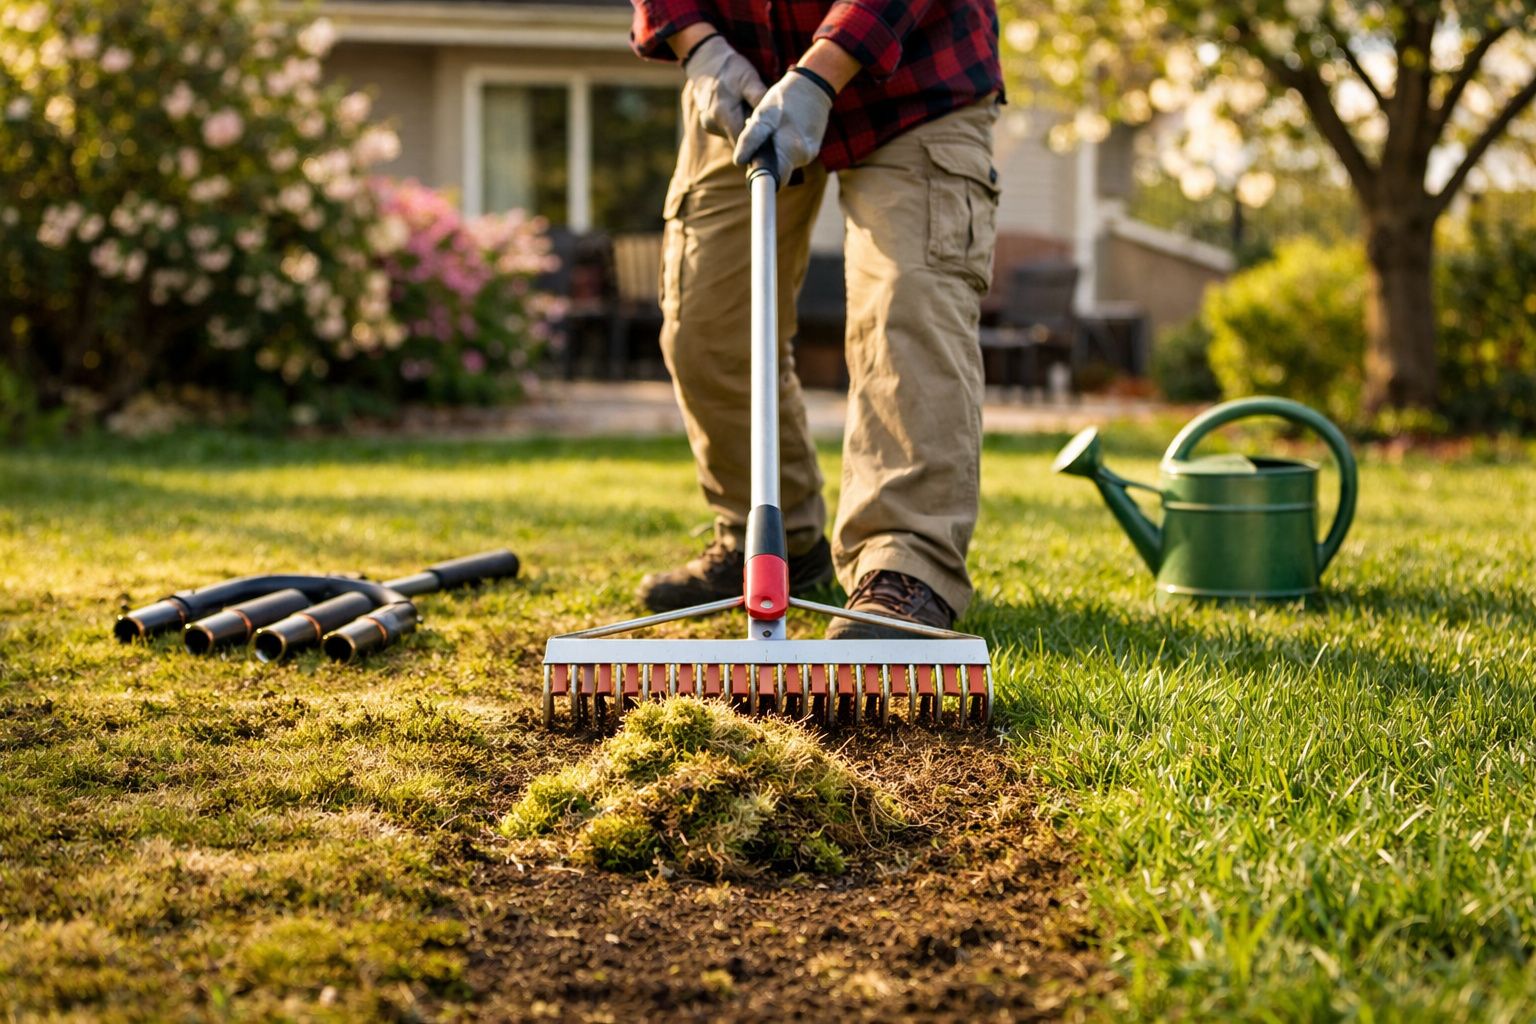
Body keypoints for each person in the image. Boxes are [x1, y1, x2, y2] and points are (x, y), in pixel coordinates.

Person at [630, 0, 1003, 638]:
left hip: (915, 80)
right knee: (706, 325)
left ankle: (904, 566)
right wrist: (701, 50)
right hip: (742, 75)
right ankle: (779, 542)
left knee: (905, 307)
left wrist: (823, 71)